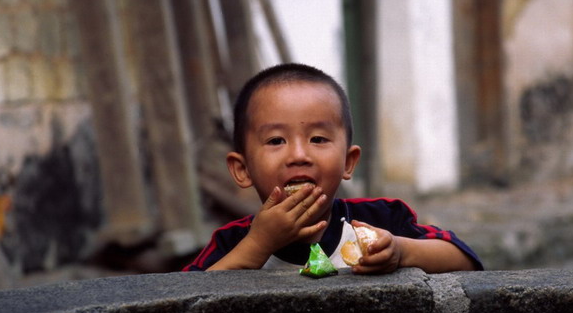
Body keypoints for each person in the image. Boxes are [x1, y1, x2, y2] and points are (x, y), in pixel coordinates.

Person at [184, 63, 482, 273]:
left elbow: (465, 260)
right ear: (242, 169)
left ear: (348, 162)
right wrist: (259, 245)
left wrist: (401, 252)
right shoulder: (232, 241)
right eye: (276, 140)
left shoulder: (378, 220)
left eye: (318, 139)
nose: (299, 155)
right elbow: (181, 304)